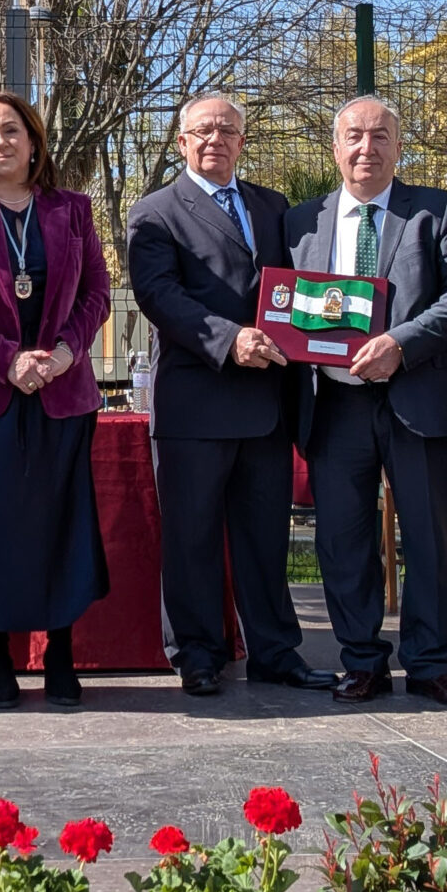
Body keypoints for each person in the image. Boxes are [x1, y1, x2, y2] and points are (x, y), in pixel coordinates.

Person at [127, 92, 336, 698]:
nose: (216, 139)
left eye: (228, 131)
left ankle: (275, 651)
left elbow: (299, 289)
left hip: (267, 403)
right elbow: (160, 297)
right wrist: (228, 339)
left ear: (243, 142)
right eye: (204, 130)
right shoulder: (156, 212)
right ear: (182, 141)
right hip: (197, 402)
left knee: (264, 537)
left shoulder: (274, 207)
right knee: (191, 537)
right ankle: (196, 653)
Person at [283, 96, 447, 706]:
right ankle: (362, 661)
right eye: (354, 136)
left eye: (379, 137)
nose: (366, 148)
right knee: (343, 540)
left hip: (417, 396)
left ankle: (430, 665)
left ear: (399, 147)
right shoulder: (301, 221)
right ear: (335, 147)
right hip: (334, 403)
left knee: (430, 537)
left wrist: (401, 343)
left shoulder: (437, 211)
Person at [0, 92, 112, 708]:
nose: (0, 141)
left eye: (12, 130)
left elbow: (96, 294)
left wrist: (63, 354)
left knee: (59, 527)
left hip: (63, 392)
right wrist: (7, 361)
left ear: (34, 142)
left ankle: (59, 655)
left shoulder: (74, 211)